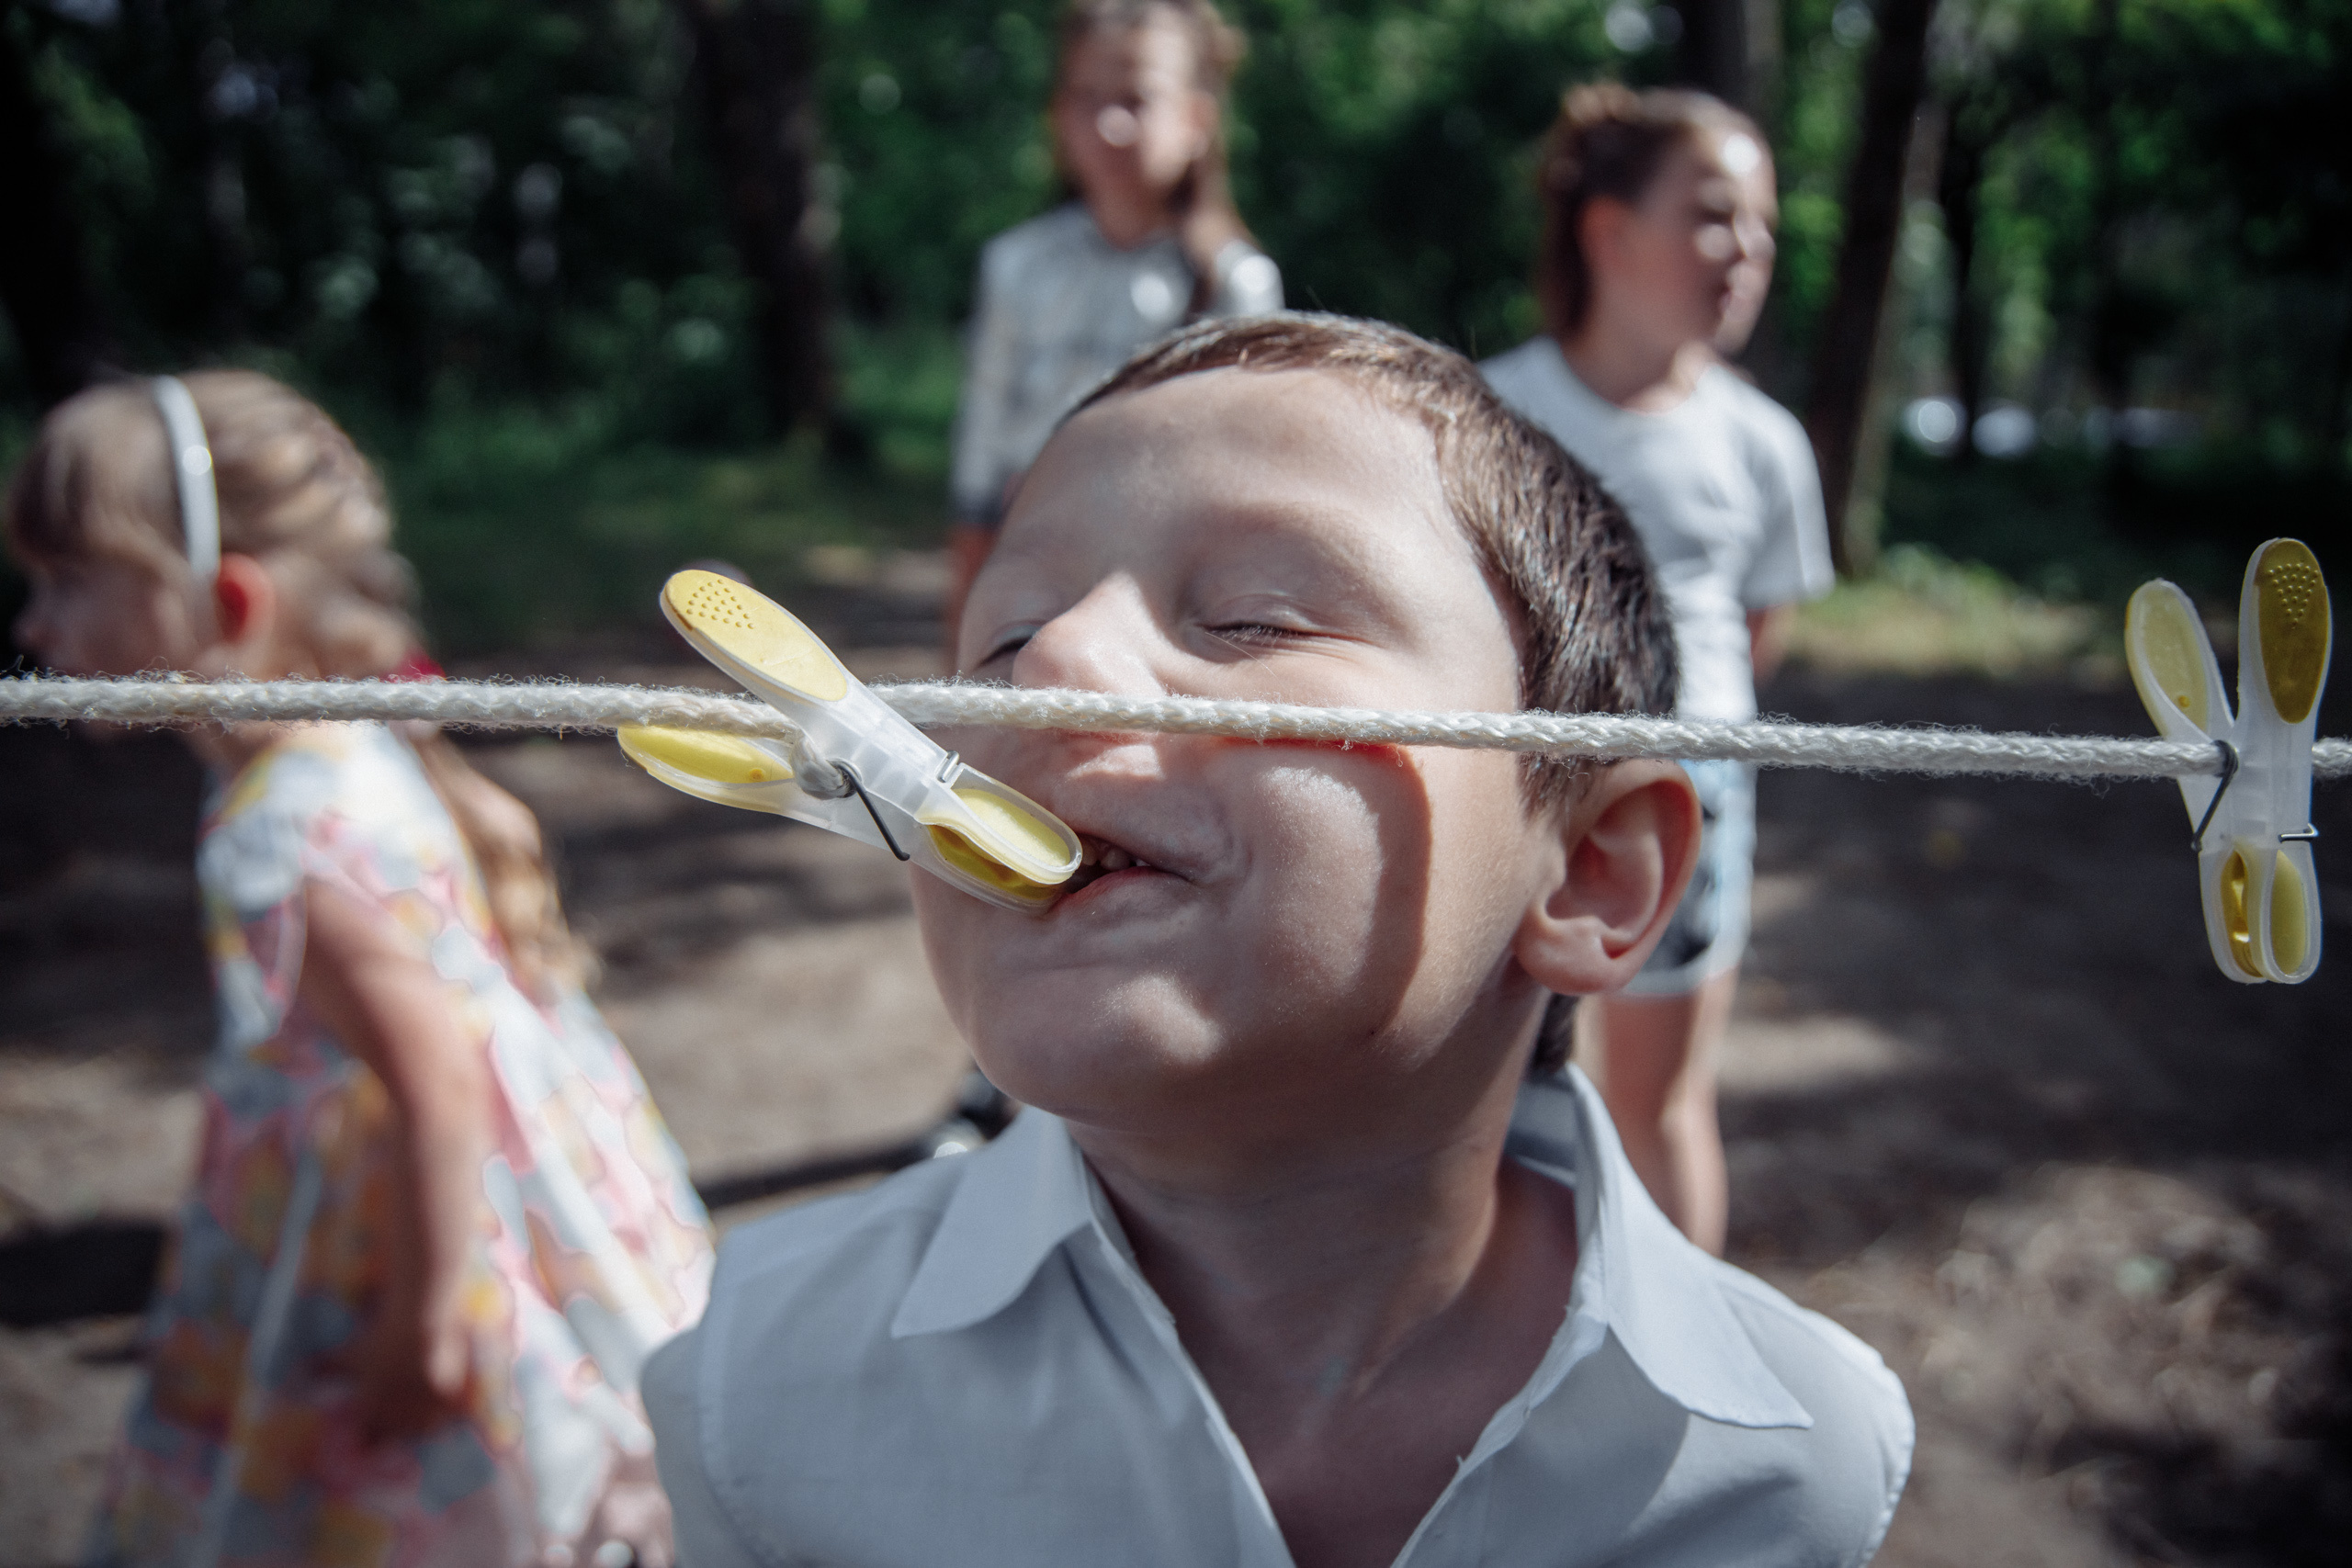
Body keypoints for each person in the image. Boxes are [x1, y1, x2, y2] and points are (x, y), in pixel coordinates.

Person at [644, 314, 1911, 1568]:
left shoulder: (1790, 1465)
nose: (1057, 662)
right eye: (1007, 636)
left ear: (1587, 871)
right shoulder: (755, 1386)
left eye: (1251, 617)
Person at [6, 372, 717, 1568]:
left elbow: (433, 1073)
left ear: (224, 601)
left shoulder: (287, 826)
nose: (33, 629)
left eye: (69, 582)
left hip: (398, 1250)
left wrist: (428, 1322)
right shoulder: (345, 755)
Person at [1481, 85, 1834, 1256]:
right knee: (1490, 1107)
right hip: (1508, 805)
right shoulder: (1486, 416)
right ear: (1608, 232)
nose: (1748, 253)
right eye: (1715, 216)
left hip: (1695, 801)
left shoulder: (1763, 443)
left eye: (1763, 228)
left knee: (1657, 1105)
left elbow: (1757, 627)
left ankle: (1681, 1385)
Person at [944, 0, 1283, 644]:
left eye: (1136, 98)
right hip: (1026, 568)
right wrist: (966, 590)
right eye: (1086, 96)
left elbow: (1247, 467)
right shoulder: (1015, 265)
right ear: (1057, 115)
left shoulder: (1236, 284)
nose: (1110, 123)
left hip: (1163, 588)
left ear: (1195, 120)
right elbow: (981, 444)